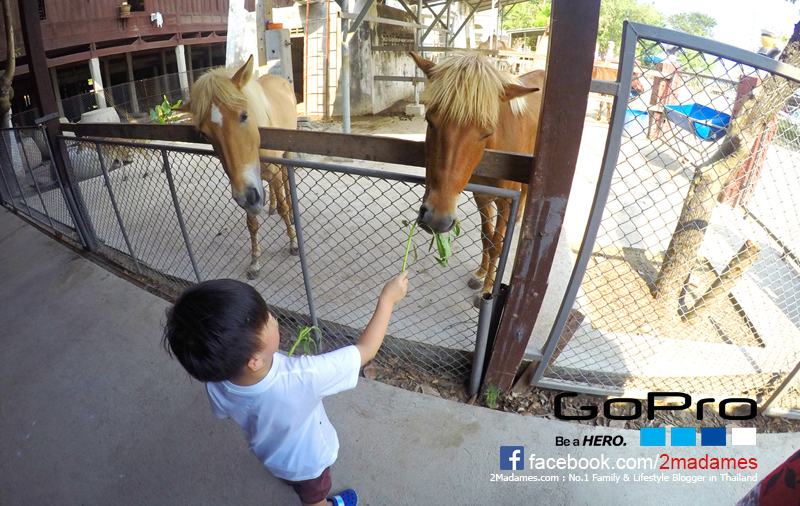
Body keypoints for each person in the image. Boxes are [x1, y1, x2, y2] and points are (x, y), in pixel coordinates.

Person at [162, 271, 409, 506]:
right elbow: (366, 350)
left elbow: (223, 412)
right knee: (313, 496)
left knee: (292, 479)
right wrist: (387, 299)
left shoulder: (217, 381)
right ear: (254, 360)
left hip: (269, 455)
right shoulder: (303, 377)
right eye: (265, 320)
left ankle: (290, 480)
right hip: (308, 463)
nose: (273, 317)